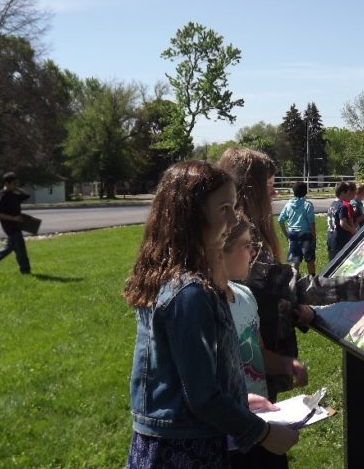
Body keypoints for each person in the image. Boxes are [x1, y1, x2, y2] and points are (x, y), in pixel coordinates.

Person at [123, 160, 298, 469]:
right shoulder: (189, 293)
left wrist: (238, 401)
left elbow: (190, 374)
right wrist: (264, 433)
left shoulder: (177, 281)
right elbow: (201, 396)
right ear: (190, 216)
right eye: (224, 209)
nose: (233, 220)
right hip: (183, 448)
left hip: (176, 438)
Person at [218, 147, 364, 403]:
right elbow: (297, 285)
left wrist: (291, 309)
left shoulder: (235, 228)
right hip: (250, 364)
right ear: (250, 189)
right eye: (270, 185)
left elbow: (265, 288)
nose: (275, 192)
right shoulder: (240, 234)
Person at [220, 211, 307, 469]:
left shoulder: (245, 296)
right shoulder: (206, 307)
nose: (253, 253)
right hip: (230, 438)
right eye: (247, 246)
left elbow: (257, 353)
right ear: (219, 250)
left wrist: (286, 364)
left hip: (264, 424)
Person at [278, 182, 316, 276]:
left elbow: (280, 220)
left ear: (293, 191)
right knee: (310, 260)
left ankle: (294, 280)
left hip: (293, 234)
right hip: (306, 234)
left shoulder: (288, 204)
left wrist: (286, 234)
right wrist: (314, 236)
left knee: (294, 261)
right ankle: (312, 280)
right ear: (305, 192)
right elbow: (311, 223)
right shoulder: (307, 205)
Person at [0, 172, 31, 274]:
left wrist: (16, 188)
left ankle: (25, 270)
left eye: (17, 183)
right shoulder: (2, 197)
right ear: (6, 184)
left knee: (13, 249)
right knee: (19, 250)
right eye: (14, 183)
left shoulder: (13, 194)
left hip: (17, 227)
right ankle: (25, 270)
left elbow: (27, 195)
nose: (16, 186)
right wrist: (14, 218)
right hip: (11, 227)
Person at [326, 181, 357, 261]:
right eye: (347, 193)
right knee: (341, 260)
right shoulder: (342, 206)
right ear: (343, 193)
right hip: (340, 238)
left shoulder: (332, 205)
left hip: (331, 236)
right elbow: (343, 223)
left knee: (332, 260)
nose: (348, 196)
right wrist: (352, 230)